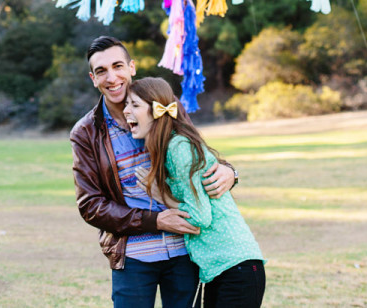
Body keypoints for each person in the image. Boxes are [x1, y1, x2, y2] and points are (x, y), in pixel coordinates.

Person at [70, 35, 237, 308]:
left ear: (131, 67)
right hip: (133, 256)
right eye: (101, 71)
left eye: (118, 66)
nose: (112, 77)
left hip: (187, 249)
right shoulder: (86, 133)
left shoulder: (163, 103)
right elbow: (91, 205)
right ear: (93, 78)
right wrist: (155, 221)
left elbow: (200, 155)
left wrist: (230, 172)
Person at [124, 76, 266, 308]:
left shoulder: (178, 148)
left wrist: (163, 196)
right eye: (127, 104)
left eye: (134, 105)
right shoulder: (170, 147)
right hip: (221, 270)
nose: (126, 111)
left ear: (156, 111)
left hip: (236, 269)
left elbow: (199, 218)